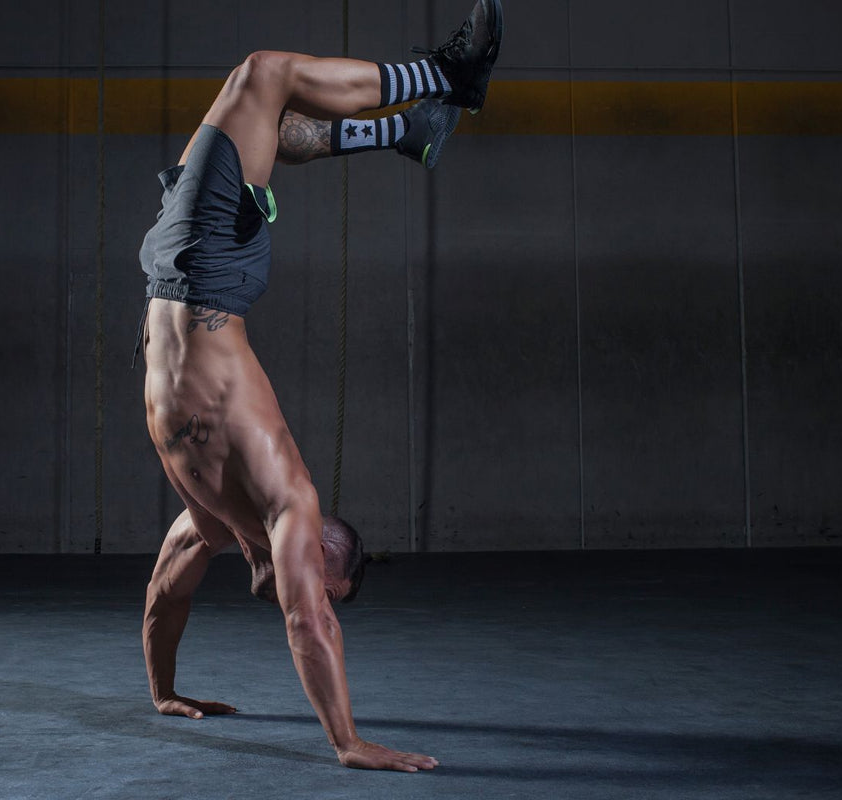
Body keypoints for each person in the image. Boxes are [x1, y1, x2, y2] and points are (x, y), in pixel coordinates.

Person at [136, 0, 502, 773]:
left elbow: (166, 598)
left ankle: (423, 109)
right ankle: (437, 89)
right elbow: (308, 622)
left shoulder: (210, 522)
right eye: (326, 571)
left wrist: (165, 692)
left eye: (321, 577)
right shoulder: (287, 503)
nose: (315, 577)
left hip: (183, 269)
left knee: (263, 90)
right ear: (328, 571)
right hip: (203, 274)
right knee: (263, 88)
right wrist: (348, 740)